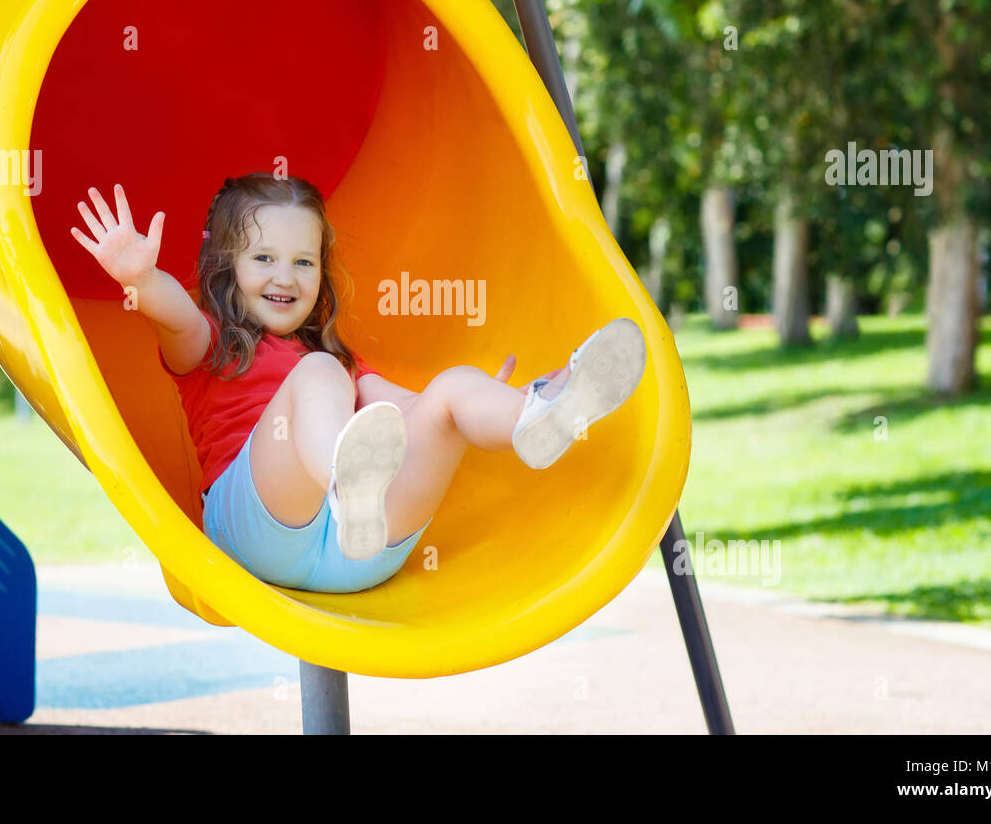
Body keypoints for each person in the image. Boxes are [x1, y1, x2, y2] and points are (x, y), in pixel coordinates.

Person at [71, 172, 646, 593]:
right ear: (227, 267)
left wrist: (492, 398)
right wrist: (142, 280)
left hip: (363, 551)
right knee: (317, 374)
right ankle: (349, 490)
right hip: (258, 530)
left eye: (304, 262)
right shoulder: (212, 344)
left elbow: (414, 412)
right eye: (264, 258)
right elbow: (175, 318)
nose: (285, 276)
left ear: (322, 273)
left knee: (448, 389)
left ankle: (536, 415)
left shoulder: (340, 363)